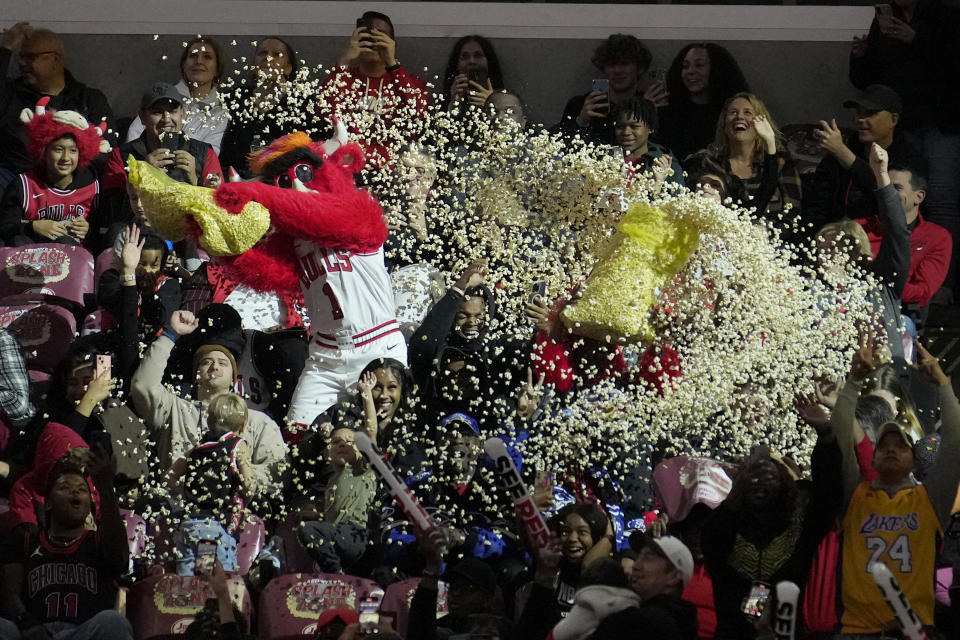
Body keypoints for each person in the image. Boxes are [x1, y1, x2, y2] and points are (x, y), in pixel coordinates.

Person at [832, 336, 960, 636]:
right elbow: (840, 442)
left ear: (914, 461)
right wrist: (853, 383)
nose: (890, 449)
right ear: (872, 461)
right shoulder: (856, 495)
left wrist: (943, 383)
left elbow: (954, 443)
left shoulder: (929, 500)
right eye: (883, 445)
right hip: (856, 632)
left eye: (899, 446)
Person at [699, 416, 842, 638]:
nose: (759, 484)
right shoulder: (724, 526)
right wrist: (736, 494)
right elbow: (710, 540)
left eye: (768, 477)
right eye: (753, 478)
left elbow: (829, 494)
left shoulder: (800, 527)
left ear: (784, 484)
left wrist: (825, 436)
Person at [130, 309, 288, 497]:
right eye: (206, 362)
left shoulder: (257, 422)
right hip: (177, 510)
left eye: (223, 363)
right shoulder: (175, 410)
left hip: (237, 515)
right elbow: (143, 386)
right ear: (196, 375)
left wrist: (231, 479)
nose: (215, 366)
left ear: (233, 379)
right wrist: (170, 334)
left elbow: (277, 474)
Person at [0, 454, 133, 640]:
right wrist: (27, 623)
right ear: (48, 504)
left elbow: (120, 562)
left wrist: (105, 488)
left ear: (89, 506)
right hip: (32, 631)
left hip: (82, 632)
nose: (75, 492)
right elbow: (9, 594)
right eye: (64, 487)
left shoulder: (98, 541)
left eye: (81, 489)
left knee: (112, 621)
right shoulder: (26, 542)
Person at [0, 23, 114, 188]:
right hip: (16, 189)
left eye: (31, 57)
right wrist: (6, 48)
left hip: (75, 192)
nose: (22, 64)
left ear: (56, 59)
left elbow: (107, 149)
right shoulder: (10, 95)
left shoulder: (89, 99)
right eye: (20, 57)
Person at [803, 84, 925, 236]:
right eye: (859, 112)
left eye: (870, 113)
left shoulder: (908, 159)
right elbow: (816, 203)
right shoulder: (843, 152)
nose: (860, 119)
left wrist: (844, 154)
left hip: (883, 240)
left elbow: (895, 200)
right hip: (835, 241)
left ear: (893, 120)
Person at [320, 11, 429, 170]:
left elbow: (418, 118)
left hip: (395, 171)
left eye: (380, 36)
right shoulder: (344, 77)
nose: (373, 42)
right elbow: (323, 114)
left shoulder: (411, 82)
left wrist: (392, 64)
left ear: (394, 45)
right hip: (347, 167)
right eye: (367, 36)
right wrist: (345, 59)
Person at [684, 92, 802, 234]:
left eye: (748, 113)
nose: (740, 117)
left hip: (773, 245)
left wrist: (768, 238)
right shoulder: (708, 162)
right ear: (724, 124)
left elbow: (792, 215)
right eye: (733, 112)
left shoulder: (781, 162)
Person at [0, 98, 108, 247]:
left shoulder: (93, 187)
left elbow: (99, 233)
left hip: (75, 263)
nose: (65, 158)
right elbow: (5, 227)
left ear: (81, 153)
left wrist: (88, 230)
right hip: (29, 261)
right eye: (58, 149)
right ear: (44, 151)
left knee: (66, 243)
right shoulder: (24, 185)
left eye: (73, 151)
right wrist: (32, 227)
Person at [171, 392, 255, 575]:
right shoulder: (237, 445)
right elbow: (249, 485)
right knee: (211, 584)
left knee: (188, 586)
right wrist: (246, 491)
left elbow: (170, 476)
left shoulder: (198, 449)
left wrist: (187, 490)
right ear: (243, 425)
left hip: (189, 526)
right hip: (214, 529)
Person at [853, 161, 951, 308]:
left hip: (899, 313)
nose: (888, 194)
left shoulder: (936, 237)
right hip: (852, 304)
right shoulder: (858, 228)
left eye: (896, 188)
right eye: (884, 188)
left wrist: (882, 285)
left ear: (919, 197)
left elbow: (922, 292)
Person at [102, 82, 222, 191]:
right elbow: (112, 212)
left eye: (172, 111)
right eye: (157, 112)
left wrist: (195, 181)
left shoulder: (205, 153)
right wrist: (142, 177)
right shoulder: (122, 157)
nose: (166, 119)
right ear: (142, 117)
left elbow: (223, 209)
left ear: (182, 114)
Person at [219, 36, 310, 176]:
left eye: (276, 54)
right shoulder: (233, 99)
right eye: (262, 53)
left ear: (288, 68)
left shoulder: (302, 104)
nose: (267, 58)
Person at [124, 37, 230, 154]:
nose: (199, 61)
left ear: (217, 68)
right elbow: (134, 137)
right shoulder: (161, 95)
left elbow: (210, 156)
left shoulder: (220, 114)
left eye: (207, 57)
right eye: (193, 56)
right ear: (183, 65)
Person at [406, 526, 513, 640]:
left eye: (468, 588)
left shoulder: (503, 632)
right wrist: (432, 567)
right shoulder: (440, 626)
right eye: (453, 587)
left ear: (486, 599)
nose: (456, 594)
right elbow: (418, 632)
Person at [586, 535, 699, 640]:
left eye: (648, 558)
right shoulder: (683, 623)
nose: (636, 565)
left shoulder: (640, 623)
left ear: (674, 576)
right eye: (638, 556)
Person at [553, 34, 657, 147]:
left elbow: (660, 148)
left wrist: (647, 114)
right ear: (604, 68)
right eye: (611, 65)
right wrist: (581, 121)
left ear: (639, 68)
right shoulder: (580, 104)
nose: (617, 70)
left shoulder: (650, 103)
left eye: (624, 64)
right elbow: (559, 148)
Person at [296, 427, 376, 574]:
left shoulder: (361, 470)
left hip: (356, 535)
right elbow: (338, 514)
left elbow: (371, 431)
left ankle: (335, 574)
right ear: (327, 453)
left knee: (308, 530)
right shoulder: (332, 481)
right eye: (336, 441)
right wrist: (319, 516)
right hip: (339, 538)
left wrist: (367, 402)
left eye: (350, 441)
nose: (342, 444)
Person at [655, 43, 750, 163]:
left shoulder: (730, 114)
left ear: (716, 69)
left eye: (699, 65)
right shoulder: (669, 111)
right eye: (685, 66)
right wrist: (647, 110)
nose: (690, 71)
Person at [613, 96, 683, 187]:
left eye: (634, 126)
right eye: (620, 127)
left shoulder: (666, 165)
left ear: (651, 128)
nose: (626, 132)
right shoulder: (604, 162)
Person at [442, 35, 505, 109]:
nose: (471, 61)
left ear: (489, 62)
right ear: (457, 64)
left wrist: (493, 103)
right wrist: (453, 103)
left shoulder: (506, 97)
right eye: (465, 57)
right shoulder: (442, 101)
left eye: (478, 55)